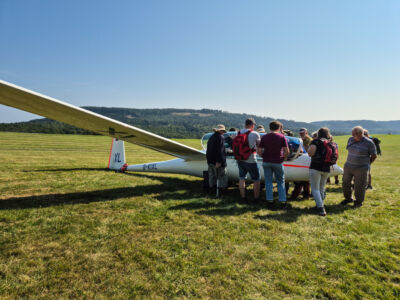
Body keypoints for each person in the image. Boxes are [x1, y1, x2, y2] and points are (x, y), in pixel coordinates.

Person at [341, 126, 377, 208]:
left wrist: (367, 164)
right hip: (348, 166)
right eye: (352, 133)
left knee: (359, 186)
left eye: (354, 134)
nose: (352, 135)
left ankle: (358, 202)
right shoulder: (350, 139)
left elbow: (374, 156)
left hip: (361, 168)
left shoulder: (369, 143)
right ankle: (348, 198)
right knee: (345, 183)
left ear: (361, 134)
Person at [258, 121, 289, 208]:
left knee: (268, 182)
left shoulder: (264, 137)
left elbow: (259, 150)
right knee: (281, 182)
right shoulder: (282, 137)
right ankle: (283, 202)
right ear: (279, 128)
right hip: (278, 162)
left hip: (266, 161)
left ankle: (270, 201)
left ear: (270, 127)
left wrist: (264, 156)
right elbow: (287, 151)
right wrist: (283, 158)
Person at [307, 127, 334, 216]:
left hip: (315, 166)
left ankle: (320, 208)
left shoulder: (316, 141)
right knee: (322, 188)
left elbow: (310, 153)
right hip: (327, 168)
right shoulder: (331, 143)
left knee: (315, 189)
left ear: (318, 133)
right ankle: (321, 204)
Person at [236, 118, 261, 203]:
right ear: (253, 125)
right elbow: (259, 147)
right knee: (256, 179)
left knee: (242, 178)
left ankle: (243, 197)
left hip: (240, 159)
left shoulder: (239, 132)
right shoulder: (255, 134)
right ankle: (256, 198)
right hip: (251, 160)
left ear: (245, 124)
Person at [206, 124, 228, 197]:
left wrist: (209, 161)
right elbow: (220, 150)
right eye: (223, 131)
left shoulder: (212, 137)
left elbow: (209, 149)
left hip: (210, 160)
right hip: (217, 161)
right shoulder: (220, 137)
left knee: (212, 176)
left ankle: (211, 191)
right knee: (221, 176)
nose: (224, 133)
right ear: (221, 131)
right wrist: (219, 161)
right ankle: (220, 192)